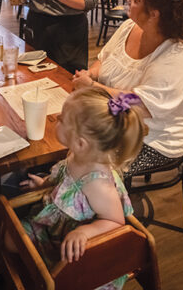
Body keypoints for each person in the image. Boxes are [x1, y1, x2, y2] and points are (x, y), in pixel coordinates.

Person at [71, 0, 183, 176]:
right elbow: (104, 60)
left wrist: (93, 87)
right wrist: (91, 74)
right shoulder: (129, 27)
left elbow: (140, 104)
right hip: (117, 124)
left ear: (153, 14)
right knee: (71, 140)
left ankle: (95, 204)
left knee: (90, 167)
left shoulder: (180, 54)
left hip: (153, 139)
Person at [10, 87, 146, 290]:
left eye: (62, 119)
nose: (56, 118)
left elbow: (116, 222)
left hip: (75, 251)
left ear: (81, 143)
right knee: (8, 237)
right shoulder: (77, 155)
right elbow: (66, 180)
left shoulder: (98, 184)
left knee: (14, 240)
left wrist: (84, 232)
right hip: (56, 230)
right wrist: (46, 184)